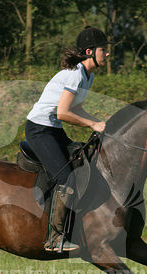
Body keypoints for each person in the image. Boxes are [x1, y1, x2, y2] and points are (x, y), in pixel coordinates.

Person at [25, 26, 112, 252]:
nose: (108, 54)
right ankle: (54, 239)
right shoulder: (75, 75)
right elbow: (63, 113)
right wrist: (93, 124)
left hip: (52, 129)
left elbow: (77, 108)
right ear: (90, 51)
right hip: (39, 129)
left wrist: (101, 122)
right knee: (66, 178)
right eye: (104, 49)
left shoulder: (88, 76)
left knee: (81, 163)